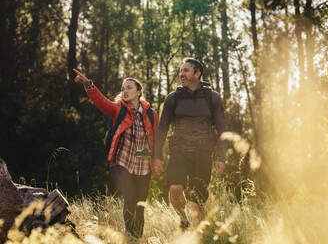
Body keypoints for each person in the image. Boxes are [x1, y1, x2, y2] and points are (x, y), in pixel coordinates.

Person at [73, 69, 158, 241]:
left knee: (140, 203)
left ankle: (137, 237)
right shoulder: (118, 109)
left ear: (139, 91)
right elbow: (101, 102)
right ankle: (130, 235)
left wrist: (156, 159)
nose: (124, 91)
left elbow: (154, 139)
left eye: (129, 88)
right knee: (130, 195)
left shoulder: (151, 113)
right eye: (123, 88)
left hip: (142, 164)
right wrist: (88, 84)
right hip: (121, 161)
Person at [153, 58, 228, 229]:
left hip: (203, 152)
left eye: (186, 70)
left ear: (197, 73)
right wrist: (157, 157)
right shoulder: (173, 98)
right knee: (175, 188)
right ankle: (183, 218)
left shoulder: (212, 97)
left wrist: (221, 158)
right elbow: (162, 129)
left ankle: (198, 233)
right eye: (181, 71)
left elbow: (223, 130)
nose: (182, 74)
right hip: (179, 150)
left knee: (198, 198)